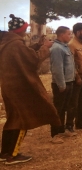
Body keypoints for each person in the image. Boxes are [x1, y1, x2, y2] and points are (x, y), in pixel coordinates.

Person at [0, 15, 60, 165]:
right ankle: (12, 156)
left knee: (13, 119)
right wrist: (45, 47)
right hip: (20, 88)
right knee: (23, 120)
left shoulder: (8, 43)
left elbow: (24, 55)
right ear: (20, 30)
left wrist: (37, 46)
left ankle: (4, 153)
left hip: (10, 87)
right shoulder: (16, 45)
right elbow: (32, 60)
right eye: (25, 28)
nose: (26, 31)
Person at [50, 26, 78, 144]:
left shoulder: (65, 47)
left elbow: (70, 65)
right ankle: (55, 134)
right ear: (61, 35)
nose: (70, 36)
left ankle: (63, 130)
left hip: (69, 81)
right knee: (58, 110)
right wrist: (61, 85)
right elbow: (57, 69)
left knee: (67, 107)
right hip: (61, 84)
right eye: (68, 34)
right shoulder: (57, 48)